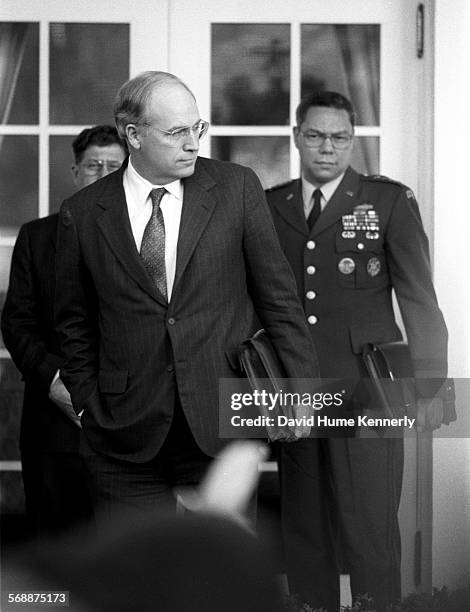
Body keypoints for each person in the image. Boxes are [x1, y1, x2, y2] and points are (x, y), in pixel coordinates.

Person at [53, 71, 319, 522]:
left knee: (218, 578)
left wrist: (303, 389)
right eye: (176, 132)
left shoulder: (236, 187)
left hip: (221, 421)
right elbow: (72, 320)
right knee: (135, 581)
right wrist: (87, 402)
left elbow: (279, 297)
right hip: (122, 433)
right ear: (133, 135)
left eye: (197, 128)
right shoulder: (82, 213)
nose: (193, 143)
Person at [266, 91, 450, 611]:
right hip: (298, 390)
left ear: (354, 140)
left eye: (340, 137)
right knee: (304, 525)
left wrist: (430, 383)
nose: (328, 148)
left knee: (369, 524)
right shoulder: (271, 204)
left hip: (368, 389)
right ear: (297, 135)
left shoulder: (387, 201)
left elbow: (418, 296)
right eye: (317, 135)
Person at [1, 125, 127, 538]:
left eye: (114, 165)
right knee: (56, 557)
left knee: (121, 553)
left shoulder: (148, 237)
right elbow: (17, 322)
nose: (103, 173)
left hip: (127, 424)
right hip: (53, 425)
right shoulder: (37, 237)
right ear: (76, 171)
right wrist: (55, 381)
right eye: (94, 165)